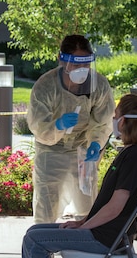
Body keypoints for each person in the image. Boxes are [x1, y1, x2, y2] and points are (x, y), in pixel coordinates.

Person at [22, 93, 137, 258]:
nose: (113, 120)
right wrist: (81, 221)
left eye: (115, 117)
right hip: (101, 231)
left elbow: (114, 208)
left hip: (104, 238)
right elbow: (105, 203)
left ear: (123, 122)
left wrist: (83, 228)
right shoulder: (132, 152)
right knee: (33, 231)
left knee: (34, 240)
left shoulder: (136, 158)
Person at [26, 34, 115, 223]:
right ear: (62, 60)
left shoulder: (98, 85)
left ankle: (81, 248)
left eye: (85, 65)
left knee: (87, 207)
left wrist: (95, 143)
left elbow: (102, 122)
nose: (81, 71)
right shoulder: (46, 86)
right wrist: (56, 126)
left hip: (82, 151)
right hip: (50, 150)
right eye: (75, 65)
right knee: (46, 209)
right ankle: (43, 248)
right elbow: (38, 125)